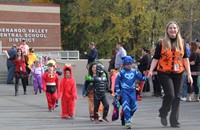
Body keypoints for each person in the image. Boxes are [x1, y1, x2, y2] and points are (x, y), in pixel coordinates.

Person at [148, 21, 193, 128]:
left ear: (177, 30)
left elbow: (185, 59)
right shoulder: (161, 43)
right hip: (164, 72)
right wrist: (150, 70)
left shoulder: (182, 43)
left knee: (177, 97)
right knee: (170, 95)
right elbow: (156, 58)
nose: (172, 30)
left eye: (174, 28)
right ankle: (163, 112)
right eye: (170, 28)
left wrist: (189, 74)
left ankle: (174, 121)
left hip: (179, 72)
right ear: (167, 30)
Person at [115, 56, 147, 129]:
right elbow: (116, 83)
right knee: (126, 106)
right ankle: (128, 121)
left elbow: (141, 78)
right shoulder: (121, 72)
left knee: (134, 106)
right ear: (124, 65)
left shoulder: (134, 71)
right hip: (124, 92)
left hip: (132, 91)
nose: (129, 65)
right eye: (127, 64)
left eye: (130, 64)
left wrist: (147, 77)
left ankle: (129, 117)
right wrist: (118, 92)